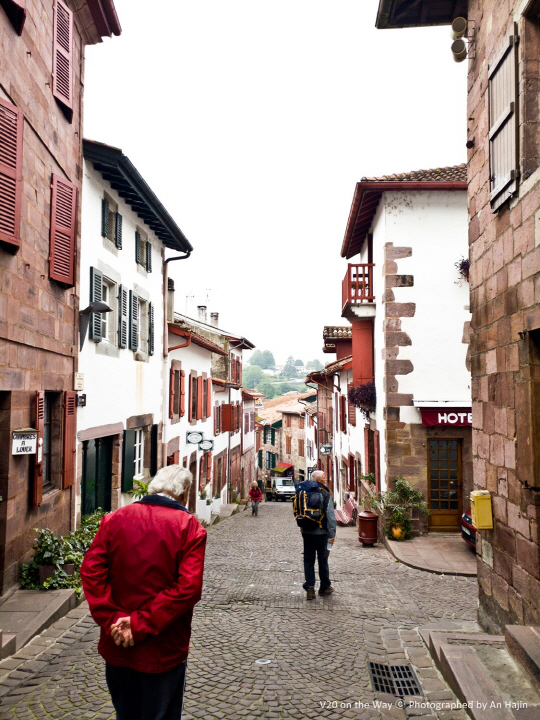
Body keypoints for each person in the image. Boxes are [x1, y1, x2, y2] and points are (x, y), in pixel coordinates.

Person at [80, 465, 206, 720]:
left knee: (125, 713)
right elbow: (188, 588)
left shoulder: (115, 518)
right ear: (185, 493)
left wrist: (114, 622)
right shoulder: (188, 527)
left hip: (117, 644)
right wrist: (139, 624)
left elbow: (91, 573)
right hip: (163, 647)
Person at [295, 470, 336, 600]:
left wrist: (303, 526)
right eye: (323, 477)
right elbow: (330, 515)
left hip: (307, 532)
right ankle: (324, 587)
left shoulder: (304, 492)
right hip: (322, 533)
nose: (325, 479)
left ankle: (310, 588)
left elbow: (300, 510)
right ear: (318, 479)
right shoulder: (324, 493)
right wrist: (332, 534)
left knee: (308, 560)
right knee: (323, 560)